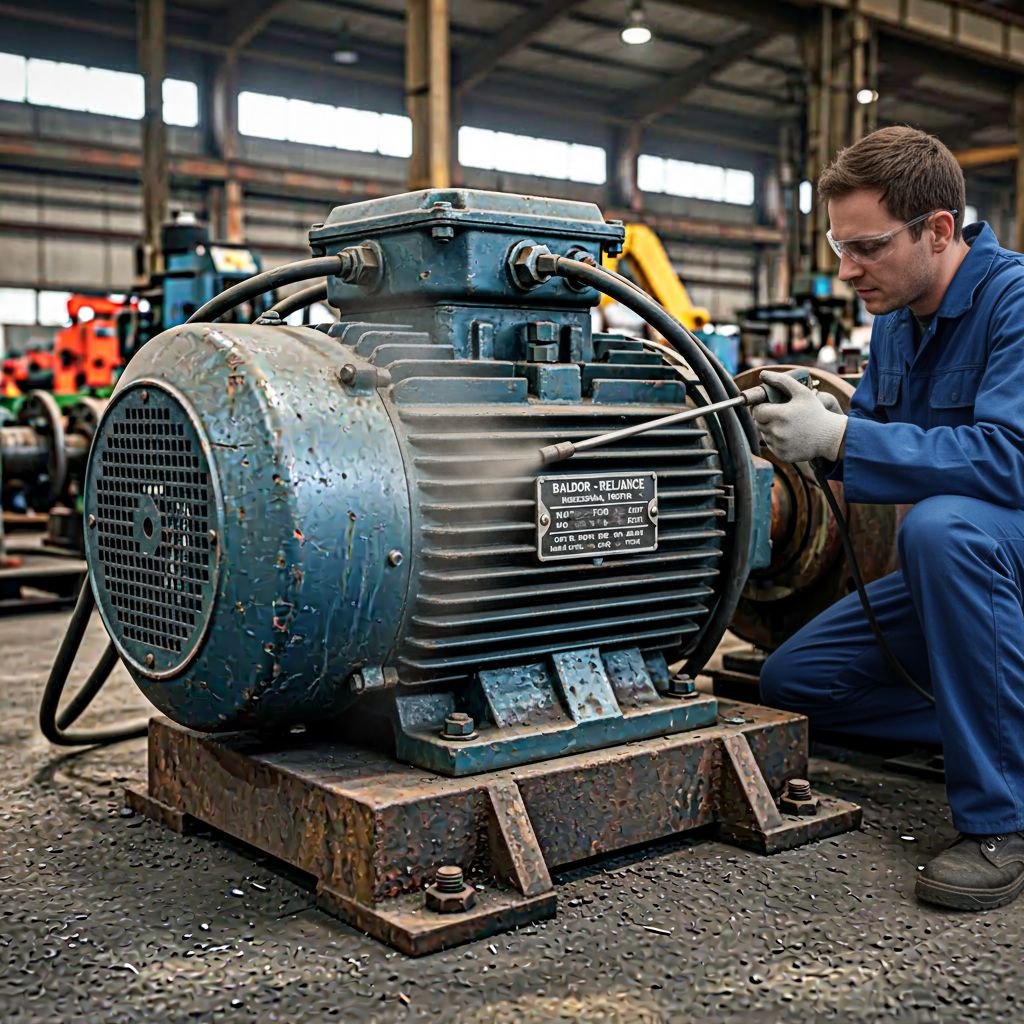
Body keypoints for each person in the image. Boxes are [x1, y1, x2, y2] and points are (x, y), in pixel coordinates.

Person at [752, 125, 1024, 911]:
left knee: (938, 528)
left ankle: (1000, 818)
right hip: (972, 573)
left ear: (939, 230)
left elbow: (1010, 460)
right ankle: (1001, 726)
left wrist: (842, 437)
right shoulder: (897, 319)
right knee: (795, 683)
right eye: (840, 246)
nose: (846, 271)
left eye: (866, 247)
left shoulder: (1013, 302)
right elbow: (866, 453)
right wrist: (800, 439)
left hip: (998, 555)